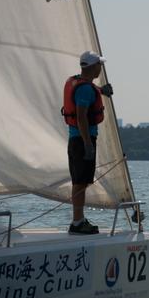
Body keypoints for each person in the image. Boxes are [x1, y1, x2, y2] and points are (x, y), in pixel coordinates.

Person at [62, 51, 113, 234]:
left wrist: (101, 90)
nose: (101, 67)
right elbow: (82, 116)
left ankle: (78, 220)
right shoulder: (84, 89)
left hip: (77, 139)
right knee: (80, 182)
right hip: (82, 140)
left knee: (81, 181)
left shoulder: (80, 83)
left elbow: (87, 88)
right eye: (99, 64)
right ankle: (77, 222)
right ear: (93, 67)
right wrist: (88, 144)